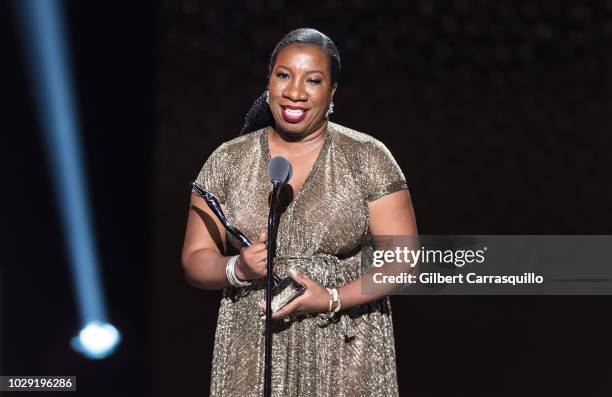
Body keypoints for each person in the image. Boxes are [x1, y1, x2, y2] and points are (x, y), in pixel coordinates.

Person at [181, 28, 417, 396]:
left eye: (314, 80)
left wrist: (333, 297)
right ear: (269, 79)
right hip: (252, 348)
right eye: (284, 75)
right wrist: (237, 268)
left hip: (343, 349)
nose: (295, 92)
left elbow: (402, 260)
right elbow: (196, 258)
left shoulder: (367, 157)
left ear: (332, 91)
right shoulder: (227, 160)